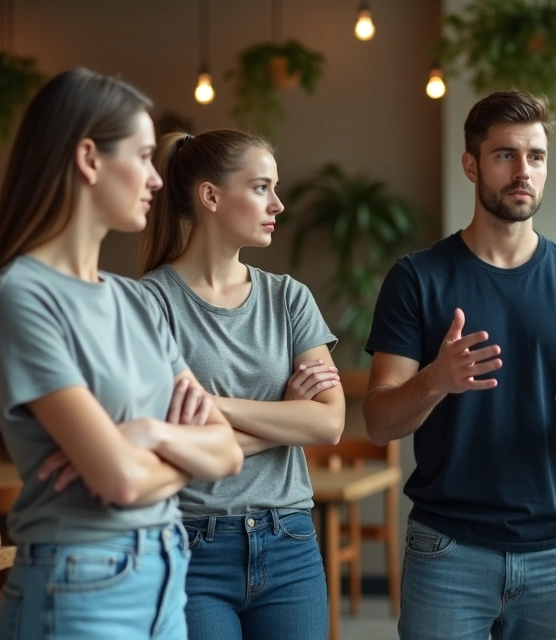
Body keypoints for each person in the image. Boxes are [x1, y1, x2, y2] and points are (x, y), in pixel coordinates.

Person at [0, 68, 244, 639]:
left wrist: (150, 434)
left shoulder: (135, 300)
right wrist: (181, 453)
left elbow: (228, 453)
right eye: (142, 157)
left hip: (167, 574)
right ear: (89, 159)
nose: (157, 179)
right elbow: (120, 481)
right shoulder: (21, 297)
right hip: (80, 587)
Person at [362, 90, 556, 640]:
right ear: (472, 165)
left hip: (554, 556)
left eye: (536, 156)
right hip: (447, 551)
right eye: (505, 155)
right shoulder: (417, 278)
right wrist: (436, 380)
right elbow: (379, 423)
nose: (523, 170)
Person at [139, 129, 344, 640]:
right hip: (191, 545)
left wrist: (212, 406)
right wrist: (284, 419)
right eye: (260, 187)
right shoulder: (149, 303)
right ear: (210, 196)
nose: (278, 204)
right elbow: (163, 443)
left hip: (289, 541)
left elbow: (328, 423)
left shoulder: (289, 298)